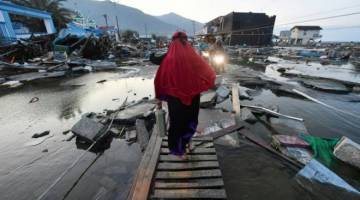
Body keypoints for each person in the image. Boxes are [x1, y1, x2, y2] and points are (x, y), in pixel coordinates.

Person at [150, 32, 216, 158]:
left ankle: (179, 150)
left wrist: (152, 54)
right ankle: (187, 143)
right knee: (190, 120)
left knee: (177, 123)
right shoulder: (193, 57)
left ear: (173, 43)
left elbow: (157, 69)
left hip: (175, 98)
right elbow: (207, 71)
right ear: (186, 42)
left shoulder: (168, 57)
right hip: (192, 96)